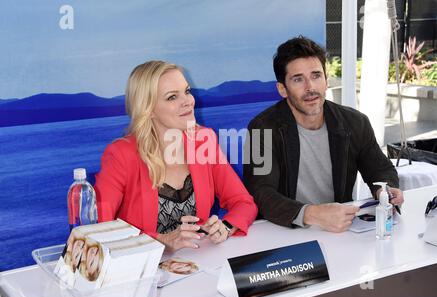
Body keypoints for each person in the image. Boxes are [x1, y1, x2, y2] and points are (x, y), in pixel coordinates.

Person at [243, 36, 404, 233]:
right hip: (283, 232)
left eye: (316, 75)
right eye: (298, 79)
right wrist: (312, 213)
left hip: (340, 230)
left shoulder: (355, 122)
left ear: (326, 81)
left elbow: (379, 169)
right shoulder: (262, 128)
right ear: (282, 89)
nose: (310, 87)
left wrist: (385, 190)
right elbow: (261, 192)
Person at [94, 60, 257, 251]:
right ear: (149, 109)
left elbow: (244, 204)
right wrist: (162, 240)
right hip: (143, 270)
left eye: (187, 91)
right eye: (172, 97)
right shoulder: (120, 155)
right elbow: (101, 230)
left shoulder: (203, 141)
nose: (188, 101)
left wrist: (225, 228)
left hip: (196, 264)